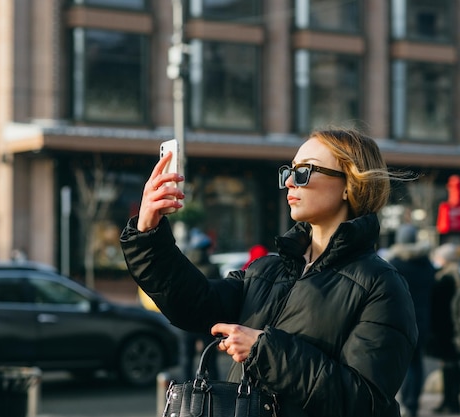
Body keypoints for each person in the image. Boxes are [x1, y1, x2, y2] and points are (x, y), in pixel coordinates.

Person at [120, 128, 418, 417]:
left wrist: (265, 350)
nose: (290, 182)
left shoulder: (382, 285)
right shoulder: (267, 269)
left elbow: (365, 402)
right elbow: (194, 304)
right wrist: (148, 232)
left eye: (304, 172)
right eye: (289, 172)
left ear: (349, 185)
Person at [386, 224, 436, 417]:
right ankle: (412, 404)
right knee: (416, 363)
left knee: (397, 363)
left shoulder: (395, 264)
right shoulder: (427, 265)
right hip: (422, 320)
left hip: (398, 319)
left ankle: (397, 403)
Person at [426, 242, 460, 415]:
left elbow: (438, 307)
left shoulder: (444, 278)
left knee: (448, 366)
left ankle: (449, 401)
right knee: (454, 364)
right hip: (457, 328)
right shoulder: (459, 275)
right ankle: (453, 400)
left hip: (445, 329)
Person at [181, 228, 222, 380]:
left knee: (186, 358)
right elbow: (219, 294)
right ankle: (214, 390)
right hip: (206, 321)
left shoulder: (185, 266)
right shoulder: (211, 268)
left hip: (185, 319)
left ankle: (186, 389)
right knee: (210, 359)